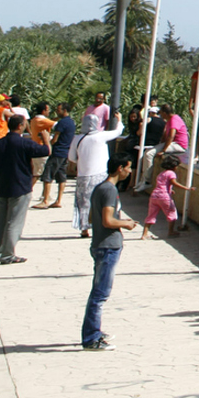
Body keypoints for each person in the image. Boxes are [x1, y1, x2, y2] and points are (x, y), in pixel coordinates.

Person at [82, 150, 138, 350]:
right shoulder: (110, 191)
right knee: (100, 294)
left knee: (99, 291)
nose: (130, 172)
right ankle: (91, 338)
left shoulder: (100, 188)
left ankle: (94, 330)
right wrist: (126, 223)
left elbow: (91, 218)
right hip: (107, 247)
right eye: (128, 168)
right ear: (120, 168)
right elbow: (107, 220)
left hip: (101, 245)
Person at [0, 110, 51, 263]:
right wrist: (46, 139)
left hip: (1, 187)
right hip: (20, 188)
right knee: (14, 222)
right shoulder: (24, 143)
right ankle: (8, 254)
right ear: (20, 126)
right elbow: (46, 151)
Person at [73, 108, 124, 236]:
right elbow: (118, 132)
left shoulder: (77, 138)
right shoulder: (100, 136)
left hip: (82, 175)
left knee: (83, 202)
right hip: (100, 174)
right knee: (102, 201)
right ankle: (102, 223)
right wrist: (120, 120)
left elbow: (71, 157)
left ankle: (84, 228)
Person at [37, 104, 78, 210]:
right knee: (61, 176)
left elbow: (55, 139)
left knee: (48, 175)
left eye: (58, 110)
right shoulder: (71, 122)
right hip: (65, 152)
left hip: (58, 151)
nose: (56, 111)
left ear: (64, 110)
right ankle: (58, 200)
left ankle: (45, 200)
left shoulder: (62, 123)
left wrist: (47, 141)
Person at [143, 151, 183, 238]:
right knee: (172, 214)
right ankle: (171, 231)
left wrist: (170, 190)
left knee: (151, 215)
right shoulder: (171, 173)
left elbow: (162, 184)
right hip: (164, 197)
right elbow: (173, 182)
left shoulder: (161, 174)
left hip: (155, 195)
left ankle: (144, 234)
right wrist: (186, 188)